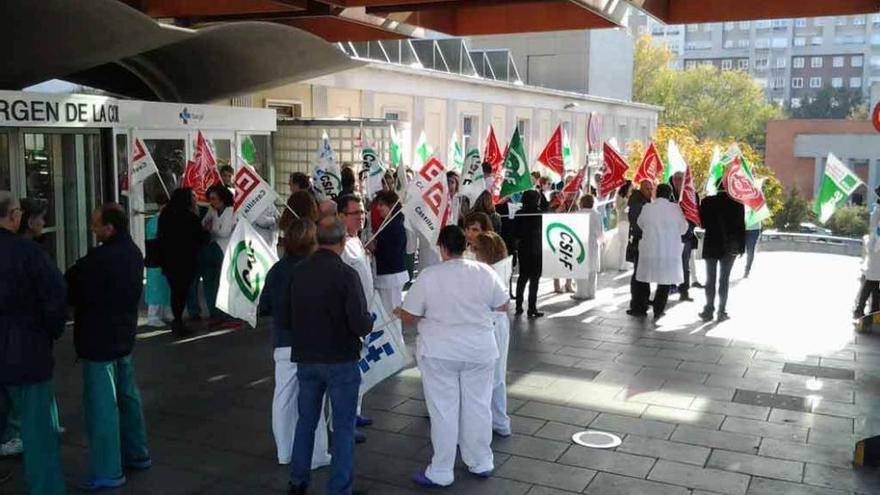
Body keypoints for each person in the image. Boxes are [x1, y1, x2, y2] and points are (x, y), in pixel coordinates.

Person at [398, 226, 509, 487]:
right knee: (478, 405)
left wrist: (401, 313)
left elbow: (411, 315)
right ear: (465, 247)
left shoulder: (429, 275)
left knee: (444, 410)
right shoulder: (485, 271)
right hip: (479, 350)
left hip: (440, 352)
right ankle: (481, 461)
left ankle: (442, 470)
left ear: (442, 248)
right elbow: (503, 304)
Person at [65, 204, 151, 490]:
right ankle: (137, 453)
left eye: (96, 224)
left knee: (102, 405)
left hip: (98, 339)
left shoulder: (99, 259)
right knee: (128, 397)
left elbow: (72, 285)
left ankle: (108, 469)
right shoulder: (134, 253)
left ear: (109, 228)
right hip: (123, 335)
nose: (93, 228)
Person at [285, 216, 373, 495]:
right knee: (344, 428)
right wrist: (369, 320)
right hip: (341, 360)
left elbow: (286, 316)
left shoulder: (298, 271)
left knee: (306, 422)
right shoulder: (347, 275)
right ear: (343, 241)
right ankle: (339, 489)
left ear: (317, 240)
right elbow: (359, 323)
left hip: (307, 357)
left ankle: (298, 480)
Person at [0, 191, 66, 495]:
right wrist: (50, 333)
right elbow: (55, 302)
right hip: (25, 352)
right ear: (15, 216)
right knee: (38, 434)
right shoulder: (29, 255)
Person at [259, 219, 331, 469]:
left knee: (283, 398)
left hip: (284, 342)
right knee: (313, 401)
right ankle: (317, 454)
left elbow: (264, 306)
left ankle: (284, 452)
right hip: (313, 344)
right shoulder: (317, 270)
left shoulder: (276, 270)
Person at [337, 194, 374, 433]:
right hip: (349, 318)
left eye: (362, 212)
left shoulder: (356, 240)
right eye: (355, 213)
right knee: (347, 375)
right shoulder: (339, 244)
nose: (361, 217)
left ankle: (356, 412)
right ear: (341, 216)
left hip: (364, 312)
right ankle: (344, 423)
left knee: (359, 369)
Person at [470, 231, 513, 437]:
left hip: (490, 325)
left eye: (475, 249)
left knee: (485, 378)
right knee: (498, 375)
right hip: (500, 325)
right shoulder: (502, 266)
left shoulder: (486, 273)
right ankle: (500, 421)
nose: (472, 252)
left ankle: (487, 423)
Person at [158, 188, 209, 336]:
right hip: (186, 261)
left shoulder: (165, 214)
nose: (195, 199)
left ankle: (177, 319)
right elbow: (201, 238)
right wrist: (205, 228)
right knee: (181, 292)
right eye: (192, 196)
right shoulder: (190, 217)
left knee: (176, 291)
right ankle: (179, 322)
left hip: (169, 260)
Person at [634, 184, 688, 321]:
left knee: (643, 279)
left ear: (656, 193)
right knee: (664, 281)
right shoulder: (676, 209)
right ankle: (658, 309)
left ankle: (642, 306)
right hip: (668, 251)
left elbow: (640, 223)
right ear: (670, 194)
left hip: (650, 250)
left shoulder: (647, 208)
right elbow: (683, 229)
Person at [699, 179, 745, 322]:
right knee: (724, 279)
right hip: (729, 247)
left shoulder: (707, 202)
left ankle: (708, 309)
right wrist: (742, 247)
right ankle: (721, 311)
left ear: (716, 186)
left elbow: (703, 224)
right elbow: (741, 228)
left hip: (711, 244)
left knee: (710, 279)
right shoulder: (738, 204)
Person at [202, 184, 237, 323]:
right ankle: (214, 312)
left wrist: (212, 229)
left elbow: (225, 232)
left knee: (224, 283)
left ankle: (227, 313)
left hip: (225, 251)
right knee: (211, 283)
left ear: (222, 198)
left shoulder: (231, 210)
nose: (212, 202)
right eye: (210, 199)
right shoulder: (212, 210)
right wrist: (213, 228)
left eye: (214, 198)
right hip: (213, 250)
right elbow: (203, 224)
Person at [370, 191, 408, 321]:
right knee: (389, 315)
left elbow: (391, 252)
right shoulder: (390, 222)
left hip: (391, 276)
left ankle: (396, 341)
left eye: (382, 205)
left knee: (391, 317)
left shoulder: (395, 225)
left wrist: (374, 249)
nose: (378, 208)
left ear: (392, 205)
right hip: (389, 276)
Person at [514, 190, 544, 318]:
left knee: (522, 278)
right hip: (537, 249)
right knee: (534, 280)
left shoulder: (519, 213)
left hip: (523, 249)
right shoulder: (539, 213)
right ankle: (532, 307)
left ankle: (518, 305)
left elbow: (516, 232)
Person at [626, 179, 654, 317]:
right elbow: (637, 225)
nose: (650, 191)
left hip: (643, 242)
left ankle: (642, 301)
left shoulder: (644, 202)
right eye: (648, 188)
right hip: (639, 243)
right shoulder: (638, 204)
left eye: (651, 188)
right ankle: (637, 305)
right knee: (639, 275)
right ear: (642, 189)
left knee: (642, 274)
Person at [670, 172, 699, 301]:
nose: (677, 181)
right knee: (670, 264)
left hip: (686, 236)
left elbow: (695, 215)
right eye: (675, 179)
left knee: (684, 265)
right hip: (670, 236)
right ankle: (668, 289)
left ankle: (684, 292)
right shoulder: (669, 196)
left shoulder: (693, 195)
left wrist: (687, 231)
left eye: (680, 179)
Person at [144, 198, 172, 328]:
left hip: (163, 258)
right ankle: (153, 316)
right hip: (155, 258)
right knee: (155, 287)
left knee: (164, 286)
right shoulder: (154, 222)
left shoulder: (163, 220)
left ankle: (163, 312)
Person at [572, 194, 606, 301]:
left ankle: (581, 293)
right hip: (593, 244)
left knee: (580, 269)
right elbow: (601, 232)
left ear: (581, 202)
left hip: (580, 244)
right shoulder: (597, 214)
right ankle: (591, 293)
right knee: (592, 270)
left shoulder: (577, 214)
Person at [855, 188, 880, 321]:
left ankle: (875, 310)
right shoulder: (877, 212)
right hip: (876, 250)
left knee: (876, 282)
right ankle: (859, 309)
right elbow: (876, 231)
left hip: (877, 250)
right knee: (872, 280)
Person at [613, 181, 632, 271]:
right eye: (631, 187)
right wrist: (626, 201)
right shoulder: (620, 197)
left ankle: (627, 264)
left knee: (628, 244)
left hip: (630, 222)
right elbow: (619, 209)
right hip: (622, 222)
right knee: (623, 244)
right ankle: (621, 265)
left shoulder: (631, 197)